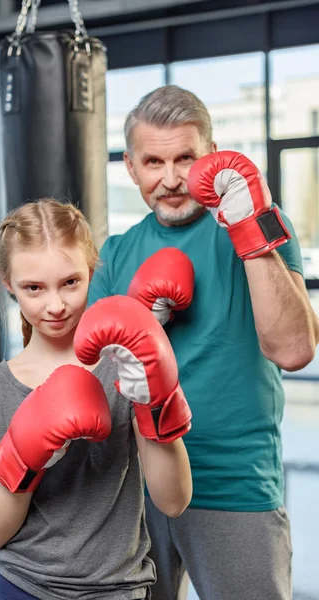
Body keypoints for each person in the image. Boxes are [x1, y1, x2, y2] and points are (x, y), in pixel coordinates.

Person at [88, 85, 319, 600]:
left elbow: (294, 350)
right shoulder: (117, 254)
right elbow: (97, 387)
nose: (169, 179)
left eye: (185, 158)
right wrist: (141, 330)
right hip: (134, 488)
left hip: (233, 485)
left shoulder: (262, 227)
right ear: (130, 166)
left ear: (211, 159)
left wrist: (248, 233)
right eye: (153, 161)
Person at [0, 198, 193, 600]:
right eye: (33, 288)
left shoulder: (123, 367)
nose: (55, 306)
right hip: (21, 587)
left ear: (90, 270)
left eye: (70, 282)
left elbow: (173, 501)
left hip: (117, 589)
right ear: (7, 283)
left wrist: (151, 398)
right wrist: (26, 456)